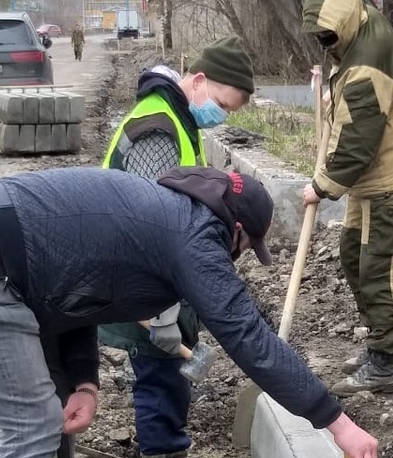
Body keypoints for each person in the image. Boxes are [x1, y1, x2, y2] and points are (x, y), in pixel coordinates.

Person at [0, 166, 379, 458]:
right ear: (235, 230)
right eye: (245, 247)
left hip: (2, 267)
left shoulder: (164, 215)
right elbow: (249, 337)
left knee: (50, 422)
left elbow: (69, 299)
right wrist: (337, 423)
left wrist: (83, 383)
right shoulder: (192, 234)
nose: (237, 257)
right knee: (32, 427)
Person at [97, 35, 254, 458]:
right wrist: (161, 312)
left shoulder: (178, 119)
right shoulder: (156, 128)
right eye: (221, 104)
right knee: (160, 379)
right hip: (141, 283)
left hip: (156, 282)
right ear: (199, 81)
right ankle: (163, 452)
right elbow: (150, 226)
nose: (220, 116)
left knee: (165, 377)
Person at [301, 0, 393, 395]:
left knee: (382, 270)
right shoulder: (355, 30)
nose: (324, 44)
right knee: (354, 255)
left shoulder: (370, 56)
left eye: (327, 35)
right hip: (370, 181)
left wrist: (322, 186)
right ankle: (382, 341)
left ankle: (386, 363)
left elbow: (359, 139)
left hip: (390, 180)